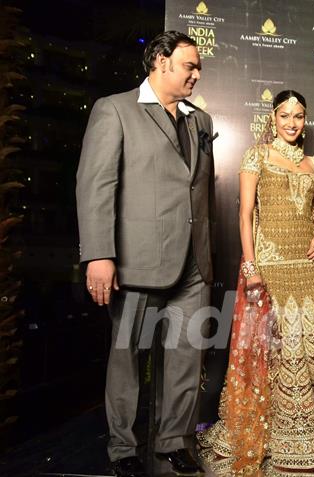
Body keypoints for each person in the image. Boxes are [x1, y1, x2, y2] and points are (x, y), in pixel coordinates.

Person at [198, 90, 314, 474]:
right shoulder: (255, 156)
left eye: (298, 116)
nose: (291, 123)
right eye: (284, 116)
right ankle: (288, 439)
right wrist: (251, 267)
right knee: (284, 352)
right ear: (272, 119)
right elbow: (245, 216)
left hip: (312, 268)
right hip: (272, 268)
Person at [76, 31, 213, 477]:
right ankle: (123, 449)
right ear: (159, 61)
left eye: (198, 67)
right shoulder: (114, 109)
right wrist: (99, 253)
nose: (196, 73)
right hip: (135, 262)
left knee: (185, 358)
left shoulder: (200, 120)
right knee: (126, 362)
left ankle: (175, 441)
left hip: (193, 263)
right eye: (189, 65)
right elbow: (96, 185)